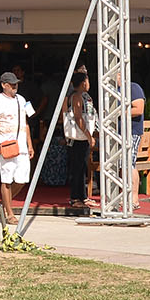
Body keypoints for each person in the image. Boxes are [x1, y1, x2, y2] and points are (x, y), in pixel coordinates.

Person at [0, 72, 34, 227]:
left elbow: (26, 123)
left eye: (16, 84)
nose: (15, 87)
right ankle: (9, 213)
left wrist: (30, 144)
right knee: (6, 178)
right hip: (5, 145)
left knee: (22, 178)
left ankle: (3, 203)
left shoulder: (22, 100)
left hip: (21, 145)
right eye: (12, 84)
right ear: (3, 85)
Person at [61, 69, 95, 212]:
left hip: (82, 137)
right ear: (83, 83)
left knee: (82, 167)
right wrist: (88, 135)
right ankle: (75, 198)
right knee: (77, 167)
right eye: (87, 81)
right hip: (77, 137)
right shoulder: (75, 97)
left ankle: (82, 196)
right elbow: (78, 117)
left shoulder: (84, 96)